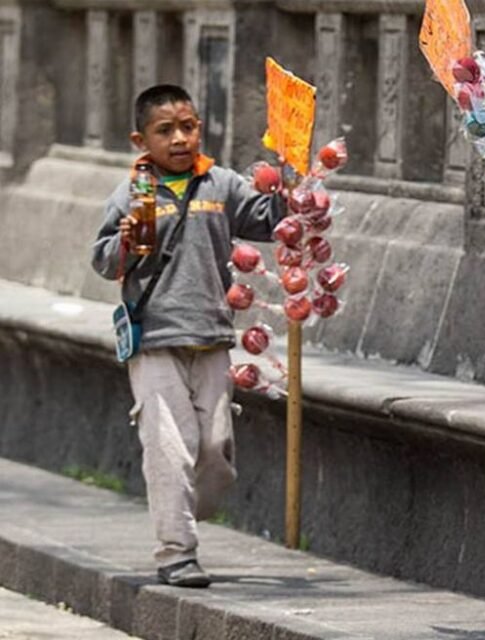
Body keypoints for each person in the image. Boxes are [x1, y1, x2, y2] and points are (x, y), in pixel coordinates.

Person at [91, 84, 285, 588]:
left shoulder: (221, 184)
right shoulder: (132, 193)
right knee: (170, 449)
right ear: (141, 141)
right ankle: (176, 551)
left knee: (216, 451)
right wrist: (127, 241)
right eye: (165, 130)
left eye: (188, 127)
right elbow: (103, 260)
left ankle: (178, 509)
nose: (179, 138)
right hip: (155, 337)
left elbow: (269, 222)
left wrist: (293, 186)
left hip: (212, 334)